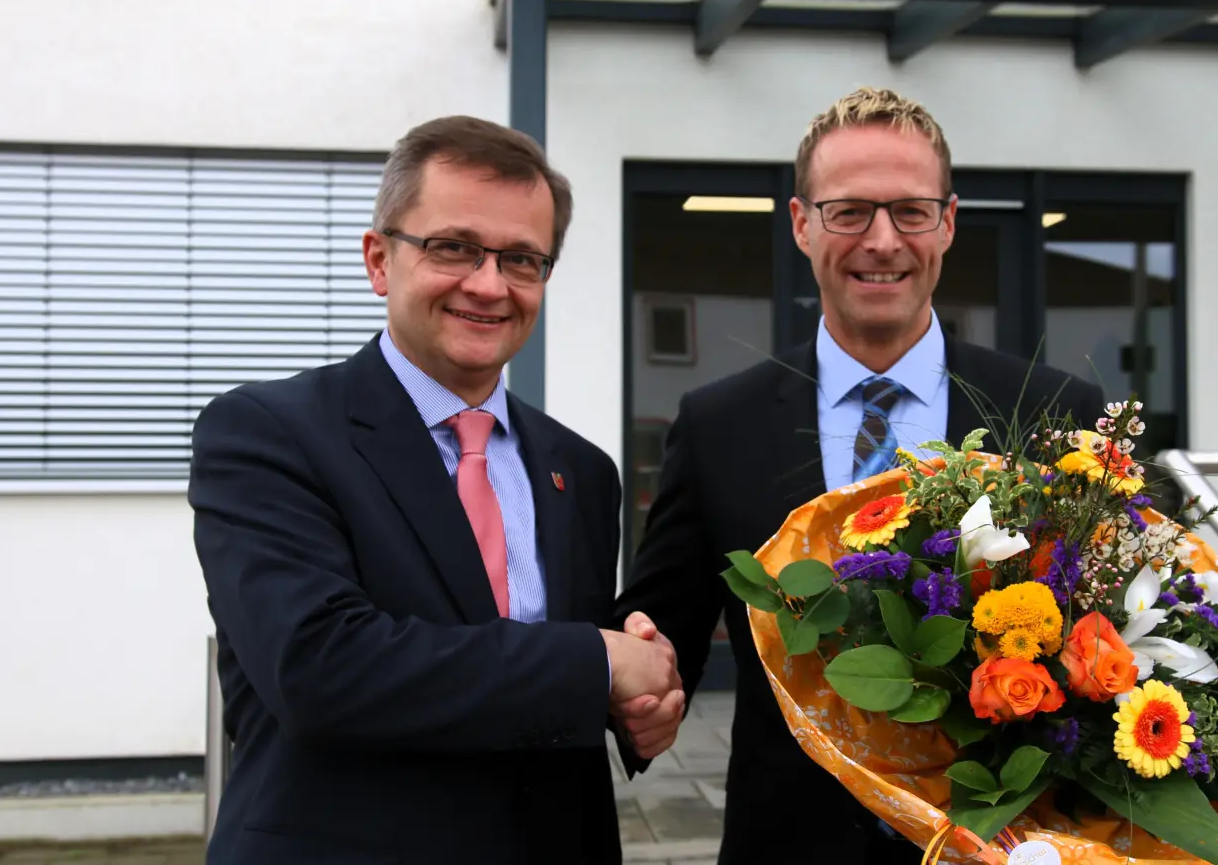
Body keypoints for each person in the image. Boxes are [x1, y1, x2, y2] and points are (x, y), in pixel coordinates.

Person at [613, 88, 1107, 865]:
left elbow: (1116, 638)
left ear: (947, 222)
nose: (882, 241)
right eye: (849, 212)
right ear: (802, 224)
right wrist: (639, 685)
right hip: (789, 844)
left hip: (1006, 846)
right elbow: (660, 629)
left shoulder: (1050, 414)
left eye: (910, 211)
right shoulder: (718, 426)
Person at [190, 115, 685, 865]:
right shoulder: (266, 435)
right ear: (379, 259)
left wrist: (638, 706)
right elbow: (322, 669)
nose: (489, 285)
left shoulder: (579, 472)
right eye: (454, 247)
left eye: (522, 259)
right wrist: (597, 664)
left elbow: (544, 675)